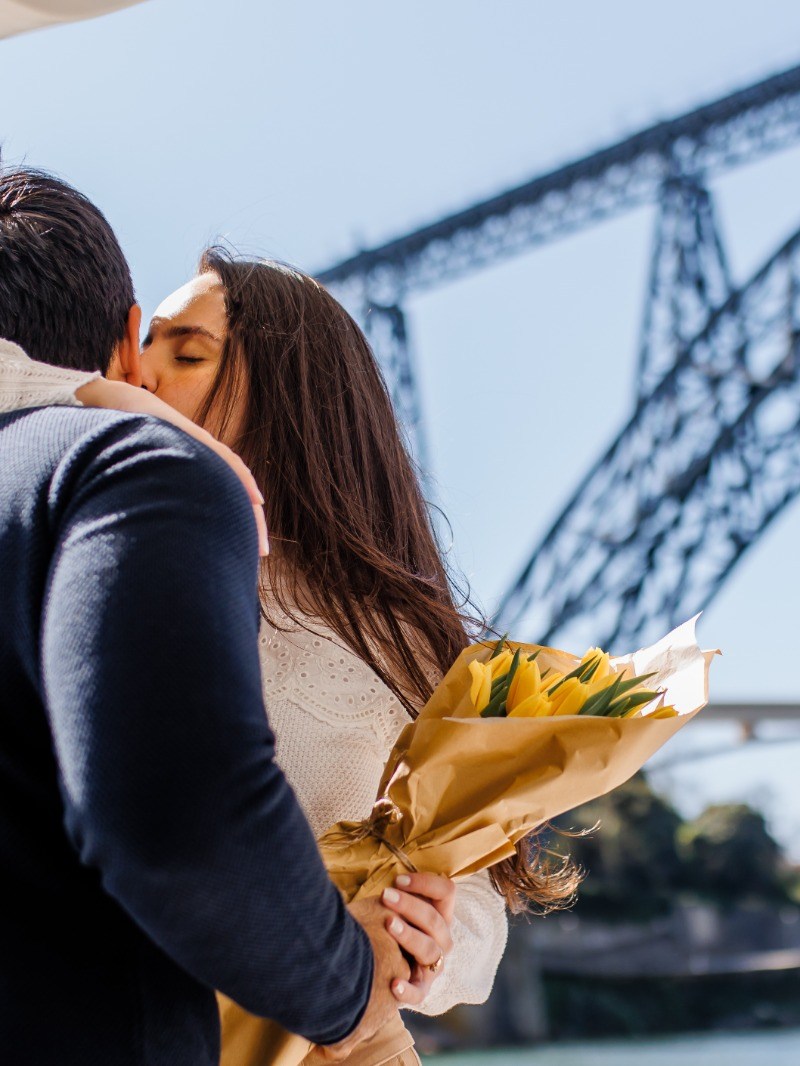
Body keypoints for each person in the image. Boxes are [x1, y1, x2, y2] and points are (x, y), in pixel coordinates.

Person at [0, 171, 510, 1064]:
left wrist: (437, 945)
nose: (146, 371)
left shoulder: (393, 631)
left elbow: (475, 905)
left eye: (188, 355)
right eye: (144, 344)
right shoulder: (111, 515)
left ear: (292, 396)